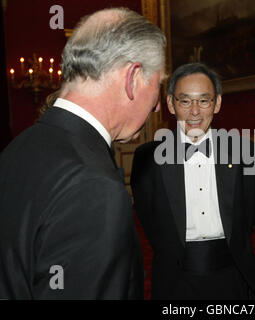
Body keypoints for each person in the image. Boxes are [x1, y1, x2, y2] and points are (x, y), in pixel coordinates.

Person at [0, 7, 166, 299]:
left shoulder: (18, 147)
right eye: (158, 85)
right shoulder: (92, 186)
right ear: (132, 77)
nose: (156, 106)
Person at [130, 63, 255, 300]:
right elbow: (150, 223)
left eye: (204, 101)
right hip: (175, 280)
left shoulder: (245, 152)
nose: (195, 111)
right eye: (185, 101)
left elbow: (246, 220)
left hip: (233, 276)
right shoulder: (147, 159)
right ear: (171, 104)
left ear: (218, 103)